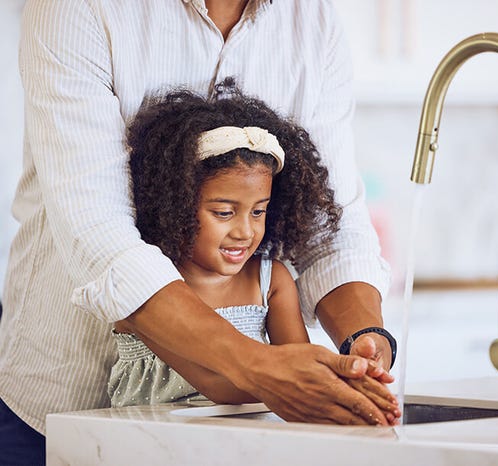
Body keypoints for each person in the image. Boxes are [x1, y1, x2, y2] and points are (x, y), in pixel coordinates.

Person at [0, 1, 396, 463]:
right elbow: (101, 237)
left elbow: (333, 229)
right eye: (225, 211)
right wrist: (261, 367)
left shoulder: (314, 20)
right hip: (54, 405)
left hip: (229, 441)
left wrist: (363, 342)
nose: (243, 230)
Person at [107, 86, 399, 425]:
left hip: (248, 448)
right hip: (146, 446)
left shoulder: (271, 281)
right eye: (224, 213)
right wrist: (325, 383)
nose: (245, 231)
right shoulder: (147, 287)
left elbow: (298, 362)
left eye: (258, 212)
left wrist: (352, 370)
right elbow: (218, 383)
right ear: (173, 206)